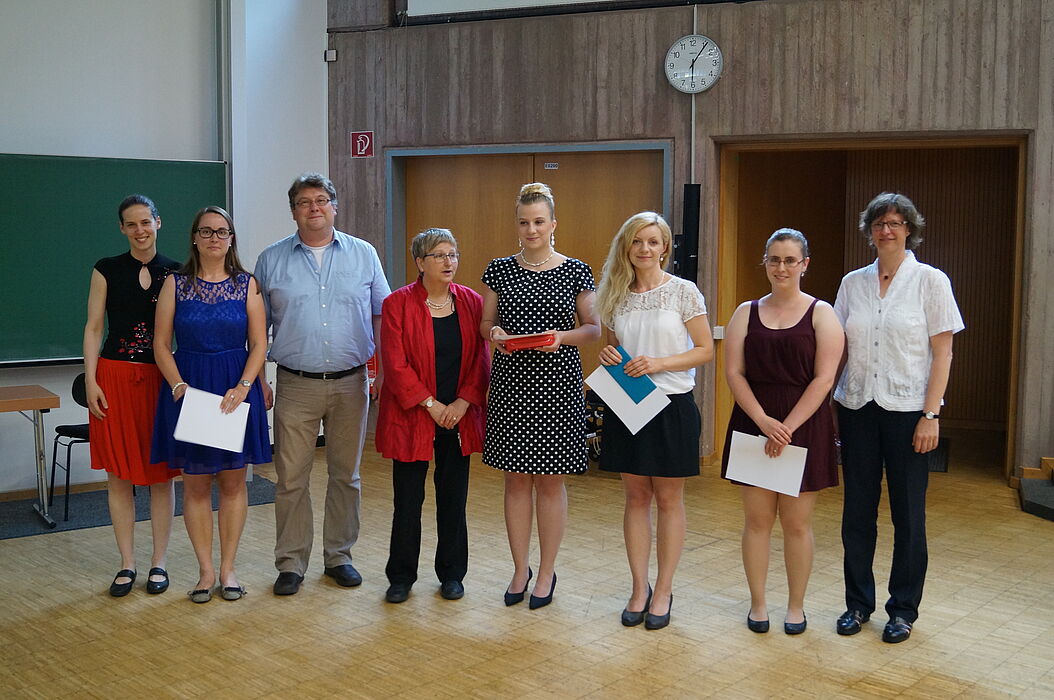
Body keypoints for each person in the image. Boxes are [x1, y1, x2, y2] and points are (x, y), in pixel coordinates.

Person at [834, 193, 963, 644]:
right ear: (869, 230)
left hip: (909, 412)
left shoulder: (930, 281)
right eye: (878, 223)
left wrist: (932, 414)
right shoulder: (852, 284)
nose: (886, 230)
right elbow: (837, 347)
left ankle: (903, 609)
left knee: (908, 515)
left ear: (910, 228)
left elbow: (943, 353)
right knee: (857, 513)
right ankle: (857, 604)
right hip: (856, 408)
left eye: (895, 222)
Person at [254, 172, 391, 596]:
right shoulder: (271, 259)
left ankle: (339, 556)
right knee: (290, 478)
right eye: (303, 202)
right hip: (295, 384)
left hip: (353, 383)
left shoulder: (364, 254)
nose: (314, 208)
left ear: (334, 206)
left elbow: (383, 316)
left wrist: (383, 371)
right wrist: (259, 380)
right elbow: (255, 328)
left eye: (321, 200)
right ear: (293, 211)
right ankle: (291, 562)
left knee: (345, 476)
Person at [480, 182, 600, 610]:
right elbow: (485, 325)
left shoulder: (575, 269)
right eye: (524, 222)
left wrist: (561, 338)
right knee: (515, 482)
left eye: (538, 222)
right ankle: (519, 567)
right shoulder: (499, 269)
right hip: (513, 383)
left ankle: (547, 569)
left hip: (557, 382)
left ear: (553, 224)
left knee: (550, 483)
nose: (531, 229)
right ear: (517, 225)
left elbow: (593, 329)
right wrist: (494, 334)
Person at [720, 228, 843, 635]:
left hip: (802, 427)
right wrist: (762, 422)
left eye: (790, 260)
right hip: (755, 422)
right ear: (765, 263)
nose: (781, 267)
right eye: (774, 259)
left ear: (805, 264)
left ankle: (795, 606)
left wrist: (786, 427)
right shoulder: (745, 312)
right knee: (756, 521)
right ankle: (758, 604)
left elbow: (824, 379)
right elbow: (734, 373)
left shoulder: (822, 313)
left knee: (796, 524)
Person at [595, 211, 714, 630]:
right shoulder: (613, 294)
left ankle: (663, 589)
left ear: (665, 247)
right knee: (635, 498)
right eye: (637, 242)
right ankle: (639, 588)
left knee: (668, 500)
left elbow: (704, 350)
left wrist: (658, 363)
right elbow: (612, 349)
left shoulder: (683, 292)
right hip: (628, 403)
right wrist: (608, 355)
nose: (645, 249)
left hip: (672, 405)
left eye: (653, 241)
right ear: (626, 247)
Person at [151, 206, 272, 603]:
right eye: (206, 231)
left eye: (222, 232)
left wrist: (244, 386)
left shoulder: (246, 283)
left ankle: (228, 569)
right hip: (190, 391)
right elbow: (161, 345)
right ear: (194, 238)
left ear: (231, 238)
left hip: (235, 390)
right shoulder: (175, 283)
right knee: (197, 484)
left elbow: (259, 344)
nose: (214, 238)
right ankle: (205, 572)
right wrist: (178, 385)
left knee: (235, 481)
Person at [376, 229, 490, 604]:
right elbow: (394, 365)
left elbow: (480, 360)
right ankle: (401, 576)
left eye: (453, 255)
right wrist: (431, 404)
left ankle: (452, 574)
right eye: (439, 255)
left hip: (457, 417)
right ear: (420, 262)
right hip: (413, 415)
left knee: (453, 499)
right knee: (407, 500)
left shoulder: (472, 302)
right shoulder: (397, 304)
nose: (448, 262)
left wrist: (460, 404)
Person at [83, 194, 180, 597]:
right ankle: (127, 563)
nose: (139, 230)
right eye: (131, 224)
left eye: (146, 222)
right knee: (119, 475)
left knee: (160, 475)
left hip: (159, 381)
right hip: (114, 378)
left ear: (158, 222)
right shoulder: (105, 269)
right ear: (122, 229)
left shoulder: (177, 271)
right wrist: (91, 380)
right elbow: (93, 327)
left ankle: (158, 563)